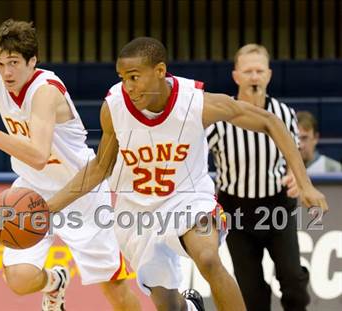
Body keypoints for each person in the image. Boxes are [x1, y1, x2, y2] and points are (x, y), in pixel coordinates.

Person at [44, 37, 328, 311]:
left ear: (160, 71)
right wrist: (48, 208)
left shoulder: (195, 103)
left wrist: (305, 184)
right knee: (168, 305)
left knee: (208, 258)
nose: (127, 86)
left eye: (134, 77)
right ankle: (191, 306)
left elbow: (269, 121)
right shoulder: (114, 108)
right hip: (137, 211)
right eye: (122, 78)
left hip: (189, 200)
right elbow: (100, 168)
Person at [0, 19, 141, 311]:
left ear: (32, 61)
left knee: (114, 289)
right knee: (18, 279)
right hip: (30, 190)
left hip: (79, 191)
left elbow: (38, 155)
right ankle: (55, 282)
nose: (6, 71)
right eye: (1, 63)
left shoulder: (45, 91)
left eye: (13, 62)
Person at [207, 44, 314, 311]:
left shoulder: (284, 113)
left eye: (259, 71)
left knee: (293, 282)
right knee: (251, 294)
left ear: (269, 74)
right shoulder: (220, 118)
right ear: (236, 77)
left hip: (277, 207)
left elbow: (293, 155)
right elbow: (196, 156)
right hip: (237, 213)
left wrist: (293, 176)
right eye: (248, 71)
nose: (254, 77)